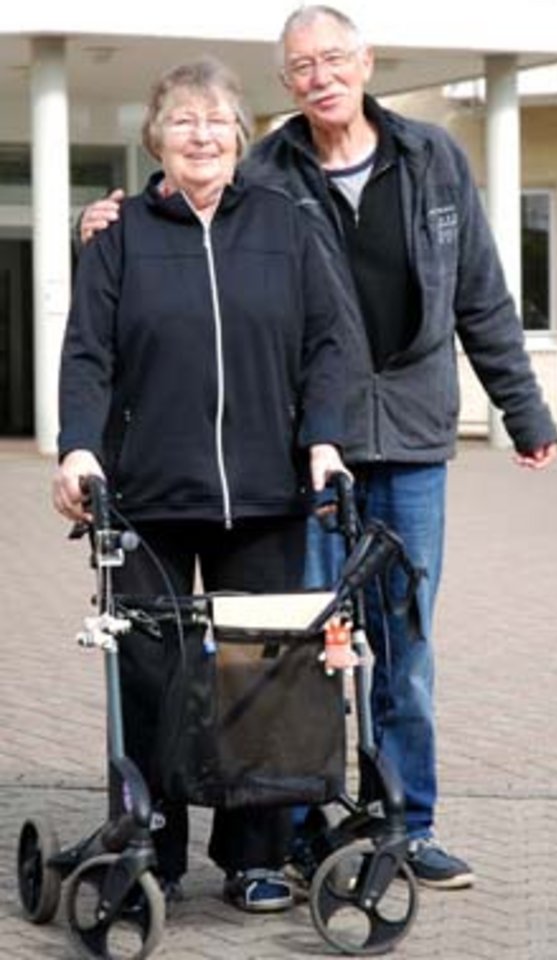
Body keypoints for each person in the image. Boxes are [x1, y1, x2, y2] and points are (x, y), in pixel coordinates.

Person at [80, 4, 557, 889]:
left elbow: (481, 293)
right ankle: (291, 831)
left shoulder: (432, 159)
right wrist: (114, 222)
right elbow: (189, 212)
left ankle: (406, 824)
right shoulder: (264, 167)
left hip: (411, 434)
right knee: (295, 648)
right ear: (285, 84)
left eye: (335, 58)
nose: (321, 76)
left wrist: (523, 411)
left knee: (402, 644)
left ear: (367, 62)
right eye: (301, 66)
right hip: (308, 451)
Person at [55, 57, 350, 913]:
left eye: (217, 119)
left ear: (240, 136)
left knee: (259, 678)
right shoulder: (119, 237)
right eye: (183, 120)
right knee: (151, 678)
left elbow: (327, 345)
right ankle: (153, 850)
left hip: (265, 496)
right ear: (156, 137)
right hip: (147, 497)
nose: (201, 134)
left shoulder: (285, 226)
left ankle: (255, 857)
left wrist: (323, 442)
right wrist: (80, 450)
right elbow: (88, 357)